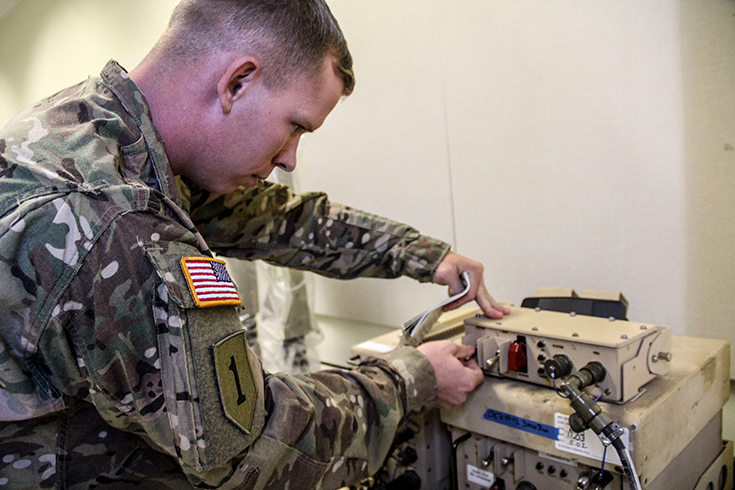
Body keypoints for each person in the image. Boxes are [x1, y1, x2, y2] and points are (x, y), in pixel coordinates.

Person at [0, 0, 510, 488]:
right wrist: (412, 379)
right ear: (237, 82)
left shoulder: (89, 129)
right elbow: (248, 451)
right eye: (295, 127)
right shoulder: (116, 223)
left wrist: (420, 254)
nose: (290, 160)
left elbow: (272, 221)